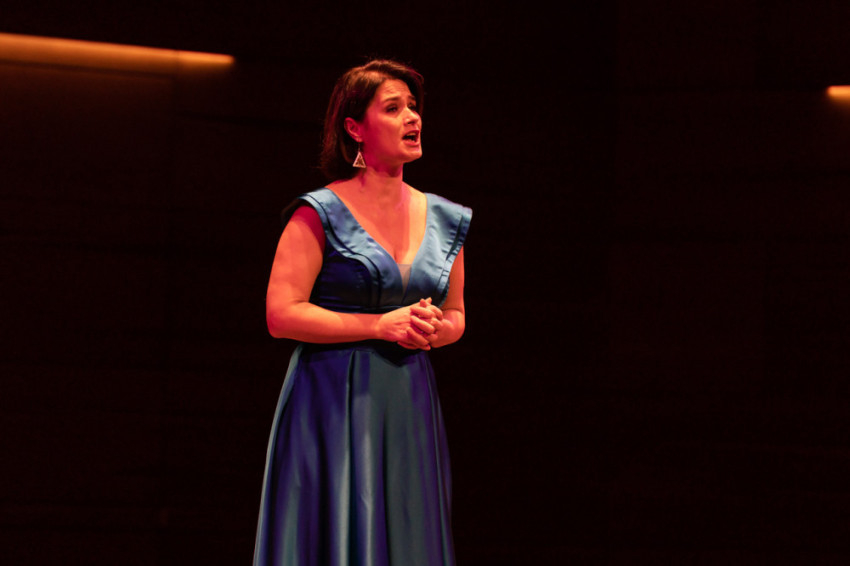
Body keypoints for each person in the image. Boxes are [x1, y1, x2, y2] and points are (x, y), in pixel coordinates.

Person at [253, 59, 471, 566]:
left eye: (413, 107)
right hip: (332, 396)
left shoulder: (445, 218)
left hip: (407, 399)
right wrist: (379, 325)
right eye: (393, 108)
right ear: (355, 128)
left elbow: (457, 314)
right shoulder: (319, 212)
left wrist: (432, 330)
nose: (412, 117)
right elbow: (281, 314)